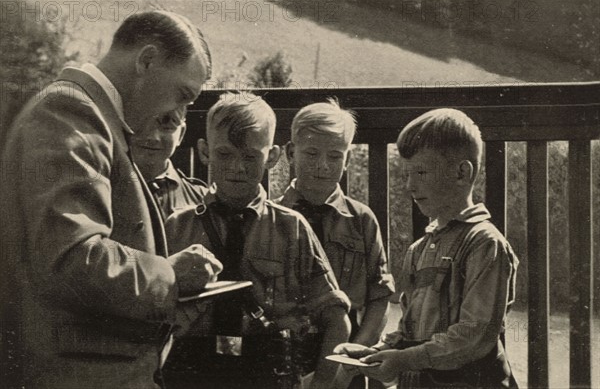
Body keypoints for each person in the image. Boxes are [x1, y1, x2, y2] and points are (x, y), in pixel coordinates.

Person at [0, 11, 222, 389]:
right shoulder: (70, 113)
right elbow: (70, 258)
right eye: (183, 95)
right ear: (146, 61)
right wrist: (170, 275)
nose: (177, 114)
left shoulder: (92, 117)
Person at [164, 92, 352, 389]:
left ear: (273, 157)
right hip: (190, 372)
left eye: (250, 156)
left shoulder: (291, 229)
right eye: (225, 154)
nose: (238, 168)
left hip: (268, 372)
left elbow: (336, 319)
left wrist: (322, 385)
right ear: (204, 152)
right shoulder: (177, 227)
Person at [334, 108, 519, 388]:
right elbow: (408, 329)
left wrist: (406, 360)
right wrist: (375, 354)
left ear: (461, 173)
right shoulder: (419, 249)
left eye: (420, 172)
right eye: (407, 174)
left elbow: (475, 337)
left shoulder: (485, 243)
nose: (409, 184)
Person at [275, 99, 394, 388]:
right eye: (312, 153)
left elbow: (380, 298)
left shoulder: (361, 219)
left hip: (345, 354)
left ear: (348, 159)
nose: (322, 166)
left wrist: (348, 364)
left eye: (335, 156)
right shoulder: (271, 216)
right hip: (285, 352)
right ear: (291, 153)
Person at [131, 106, 208, 220]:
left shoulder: (203, 200)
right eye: (141, 122)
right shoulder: (100, 191)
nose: (153, 138)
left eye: (166, 125)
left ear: (181, 134)